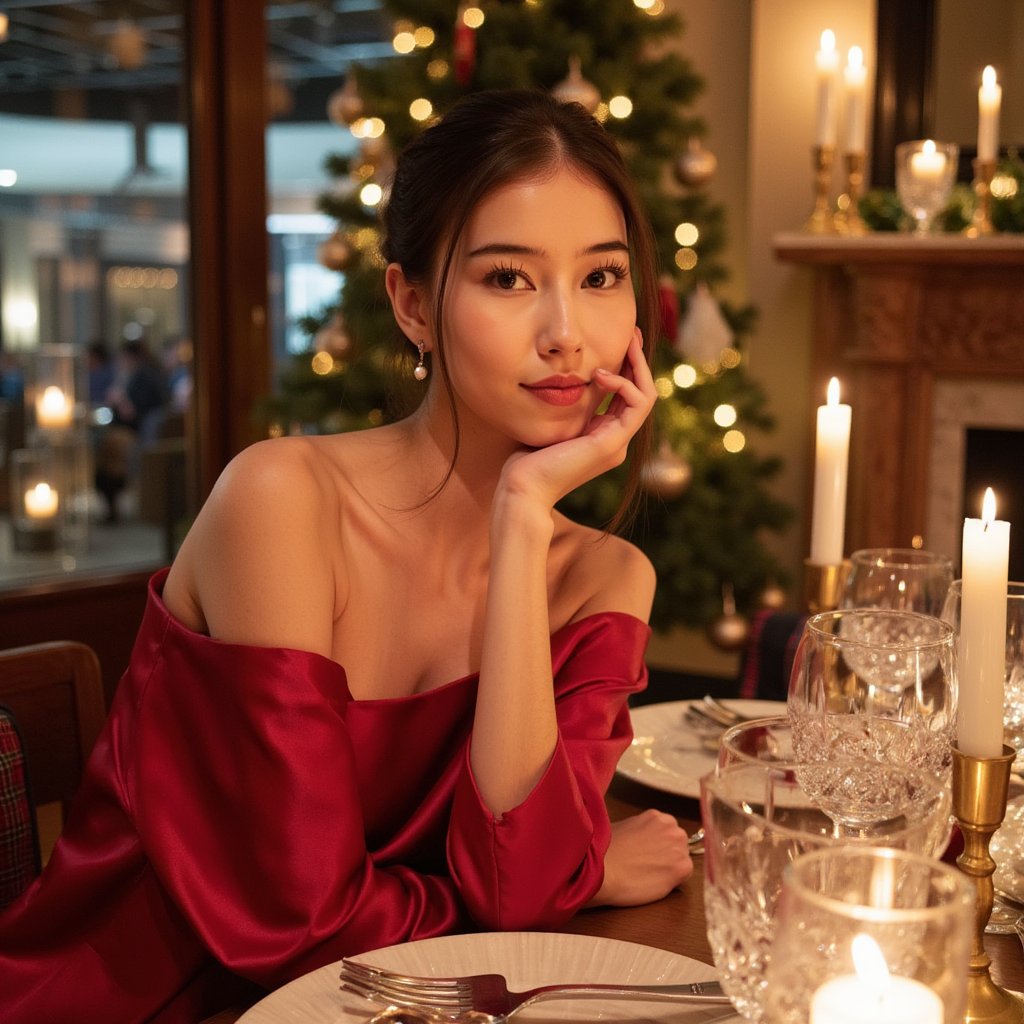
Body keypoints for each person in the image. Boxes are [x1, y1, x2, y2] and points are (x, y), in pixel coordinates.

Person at [0, 89, 693, 1023]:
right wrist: (585, 868)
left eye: (602, 278)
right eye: (507, 278)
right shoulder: (283, 501)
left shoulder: (607, 578)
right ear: (410, 302)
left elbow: (518, 889)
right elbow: (298, 931)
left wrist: (524, 516)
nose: (567, 331)